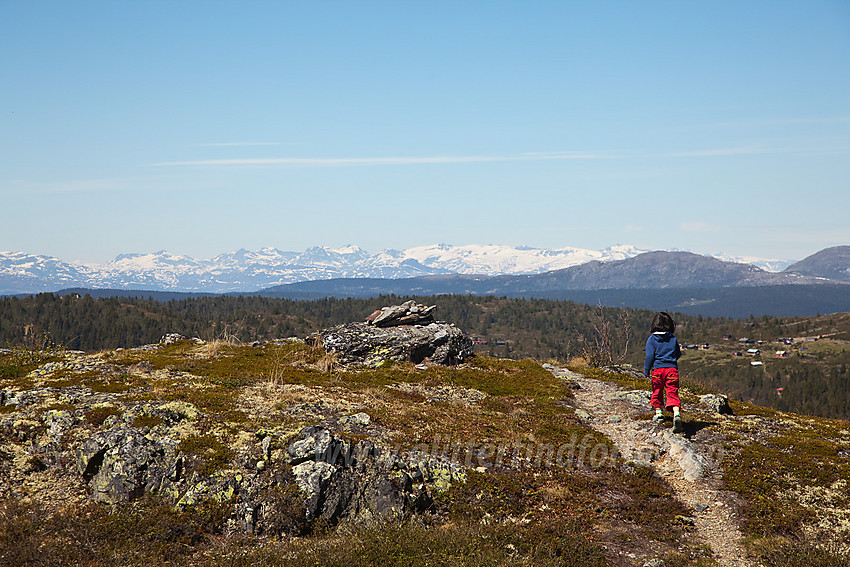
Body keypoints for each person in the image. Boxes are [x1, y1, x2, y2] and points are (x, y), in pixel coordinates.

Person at [644, 312, 683, 433]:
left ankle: (659, 413)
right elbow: (678, 354)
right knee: (672, 392)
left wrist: (646, 370)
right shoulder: (672, 338)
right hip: (672, 370)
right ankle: (676, 414)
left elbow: (649, 356)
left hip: (657, 370)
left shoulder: (652, 339)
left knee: (657, 391)